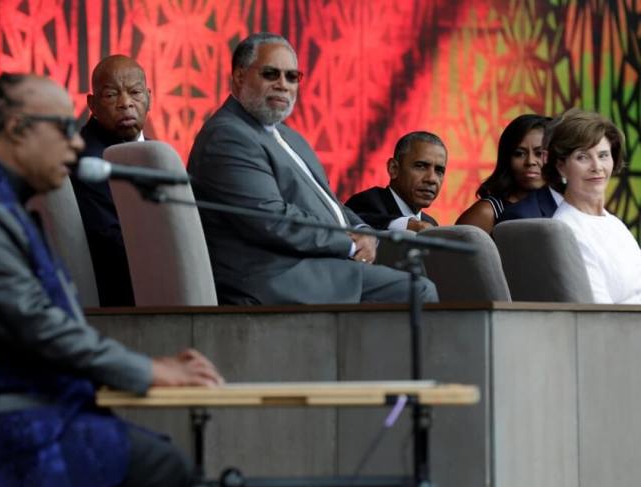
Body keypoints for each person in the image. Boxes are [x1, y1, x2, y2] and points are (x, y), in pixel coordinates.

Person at [0, 73, 223, 487]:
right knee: (159, 466)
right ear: (15, 128)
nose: (77, 143)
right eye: (63, 128)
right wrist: (149, 370)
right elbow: (38, 327)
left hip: (2, 411)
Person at [187, 32, 437, 305]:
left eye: (292, 77)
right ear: (239, 77)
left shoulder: (287, 135)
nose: (283, 85)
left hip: (317, 264)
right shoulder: (228, 136)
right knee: (418, 291)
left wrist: (364, 230)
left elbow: (331, 206)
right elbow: (272, 220)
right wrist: (349, 242)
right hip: (274, 278)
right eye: (271, 74)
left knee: (421, 272)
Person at [69, 54, 152, 306]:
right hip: (120, 300)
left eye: (135, 92)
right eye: (111, 95)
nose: (125, 103)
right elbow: (112, 245)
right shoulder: (87, 160)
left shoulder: (153, 153)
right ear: (92, 104)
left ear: (149, 97)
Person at [543, 109, 641, 303]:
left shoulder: (614, 224)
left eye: (603, 155)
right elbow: (598, 312)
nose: (597, 166)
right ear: (561, 166)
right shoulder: (567, 231)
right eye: (583, 157)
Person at [456, 114, 556, 233]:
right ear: (506, 159)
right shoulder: (487, 212)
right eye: (519, 153)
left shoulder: (565, 205)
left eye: (539, 153)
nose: (530, 161)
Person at [345, 131, 447, 231]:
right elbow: (358, 220)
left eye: (439, 171)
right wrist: (407, 225)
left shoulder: (431, 224)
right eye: (420, 166)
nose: (431, 179)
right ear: (394, 168)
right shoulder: (366, 203)